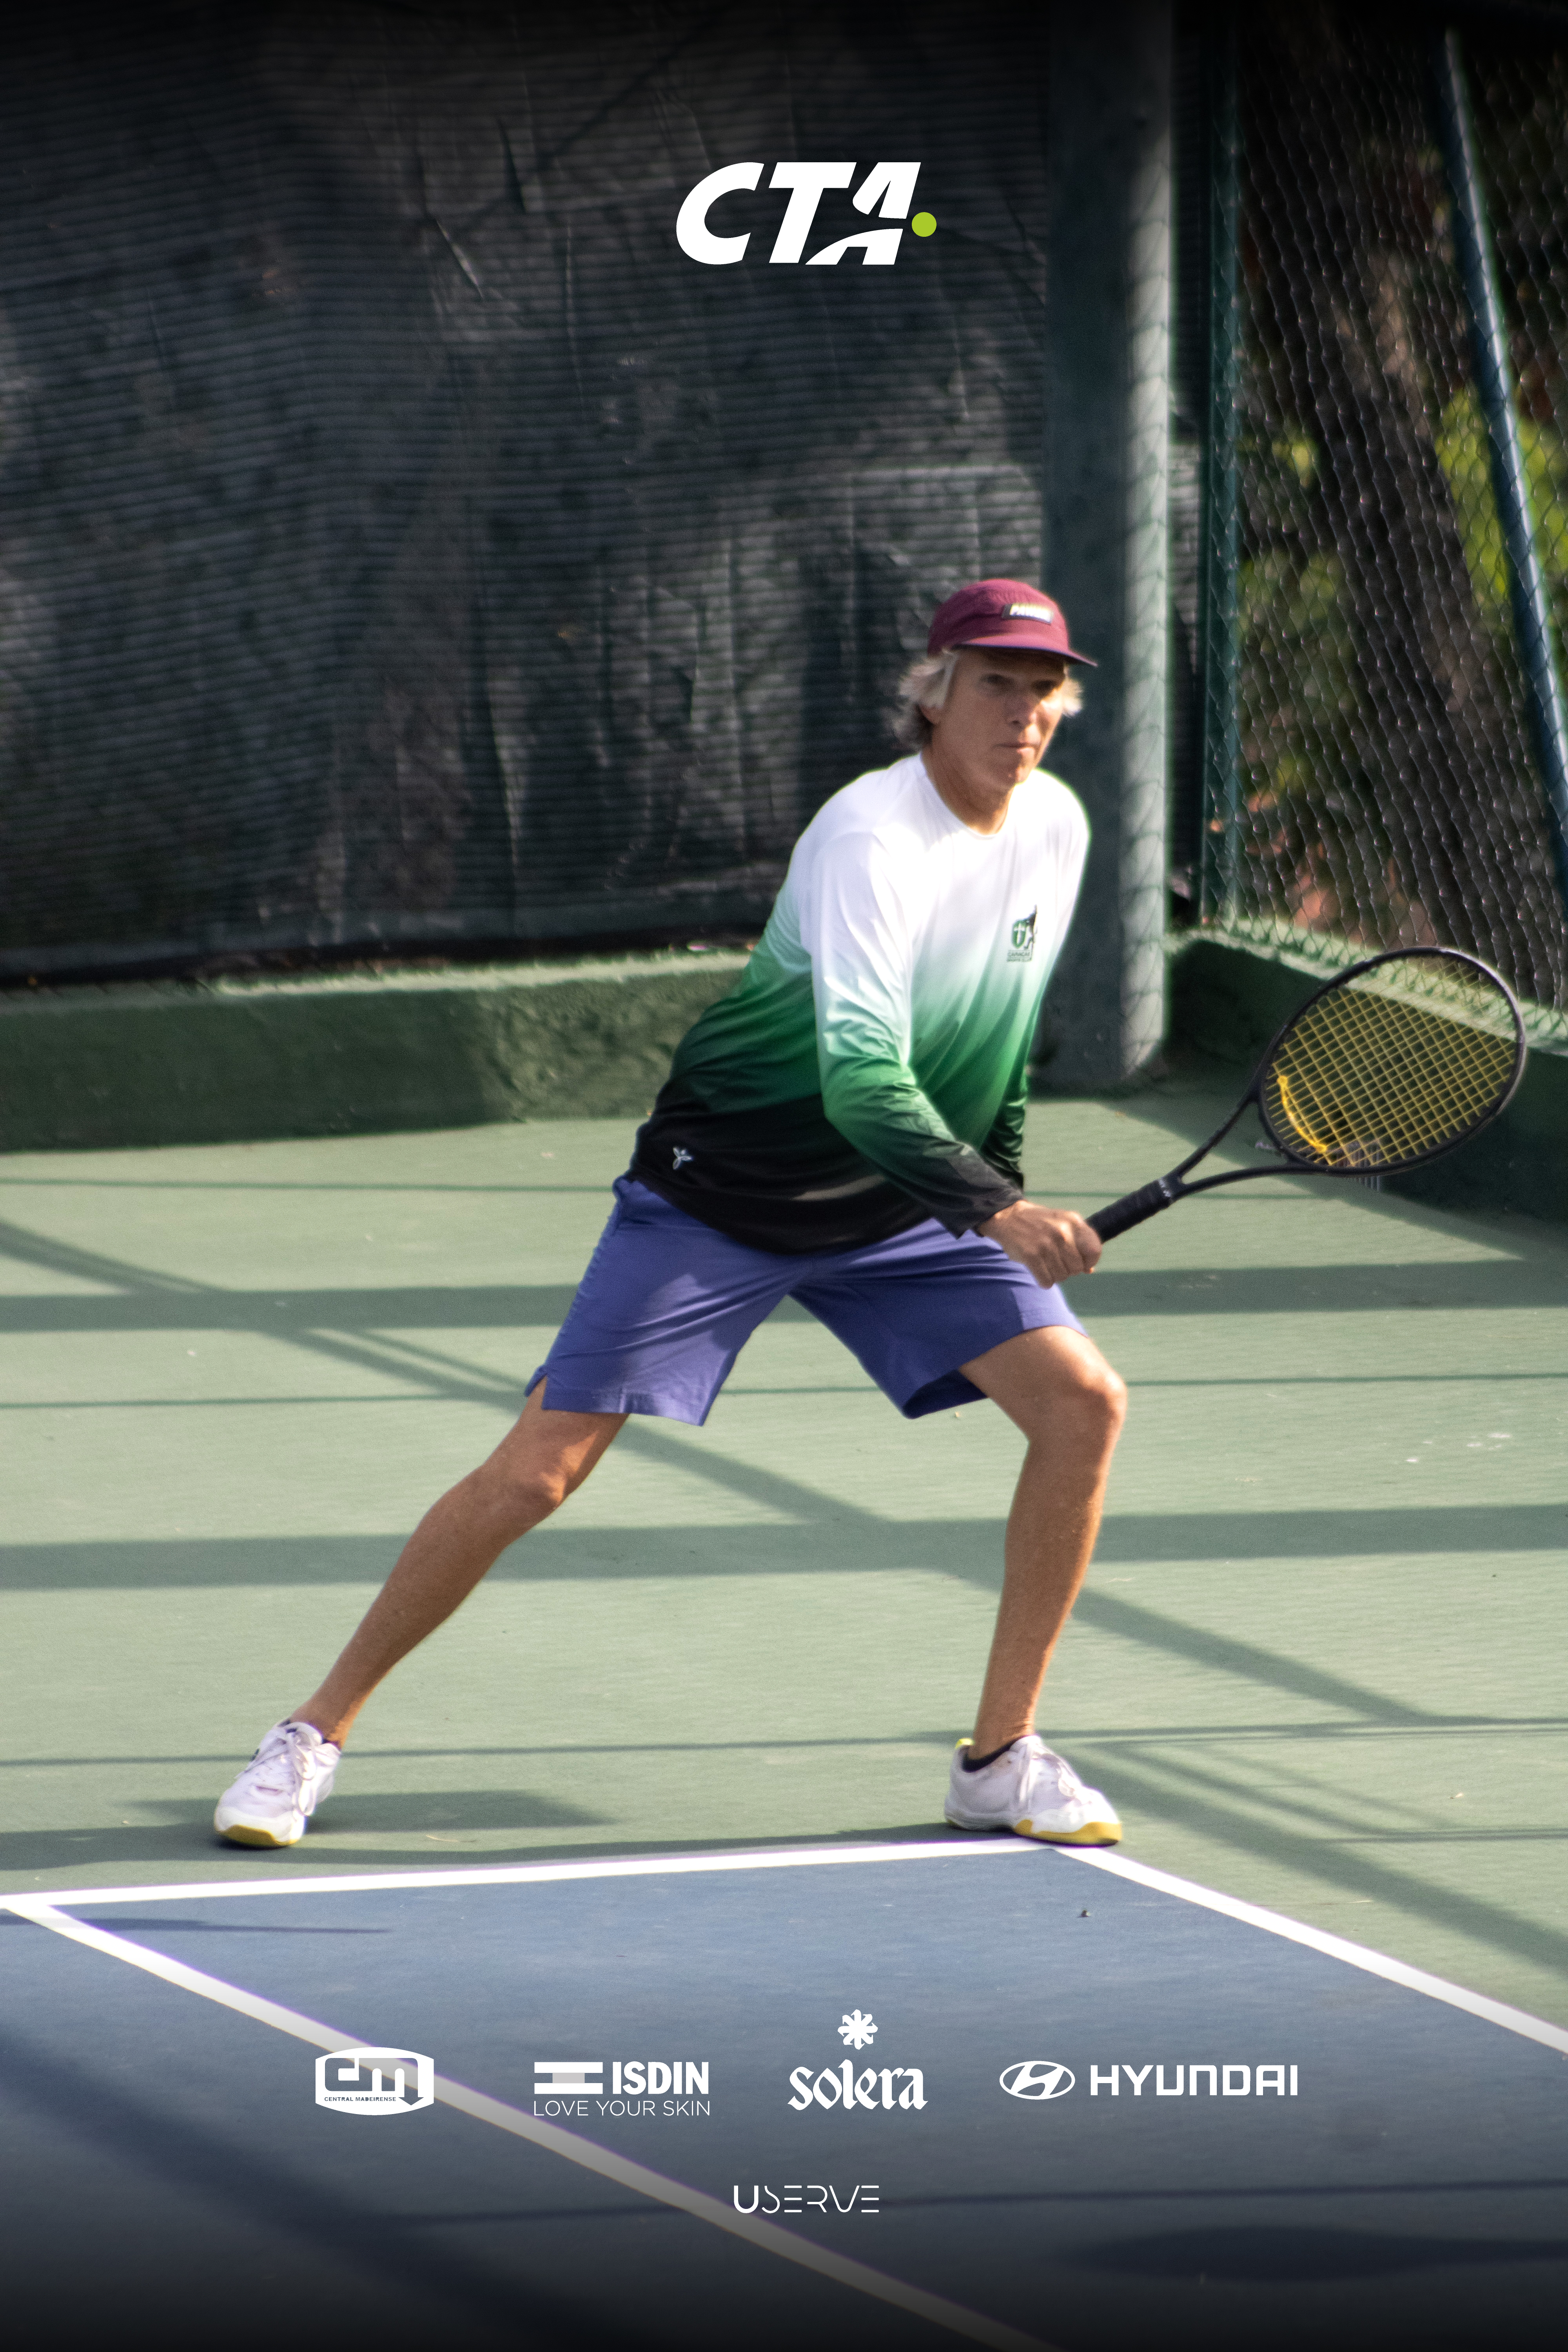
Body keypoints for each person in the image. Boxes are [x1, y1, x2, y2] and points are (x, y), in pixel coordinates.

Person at [214, 577, 1127, 1850]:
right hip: (727, 1197)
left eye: (1043, 694)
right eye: (994, 686)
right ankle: (309, 1735)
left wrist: (995, 1196)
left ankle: (999, 1758)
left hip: (900, 1207)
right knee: (539, 1471)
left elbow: (998, 1047)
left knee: (1082, 1403)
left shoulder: (1058, 829)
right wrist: (998, 1207)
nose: (1021, 716)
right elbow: (863, 1071)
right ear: (933, 696)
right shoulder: (872, 838)